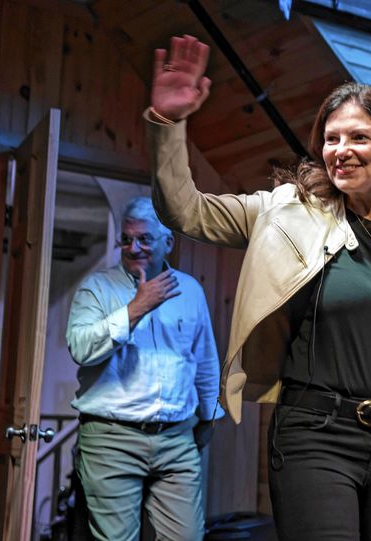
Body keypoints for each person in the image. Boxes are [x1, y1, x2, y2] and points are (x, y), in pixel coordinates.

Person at [146, 34, 371, 541]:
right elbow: (184, 211)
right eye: (331, 139)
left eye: (358, 137)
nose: (341, 151)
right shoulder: (284, 211)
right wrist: (168, 124)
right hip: (315, 436)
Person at [66, 196, 224, 541]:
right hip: (112, 438)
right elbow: (80, 348)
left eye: (144, 239)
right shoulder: (97, 288)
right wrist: (135, 309)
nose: (133, 247)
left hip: (177, 439)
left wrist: (209, 415)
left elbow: (205, 360)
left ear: (168, 242)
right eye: (126, 239)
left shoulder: (191, 291)